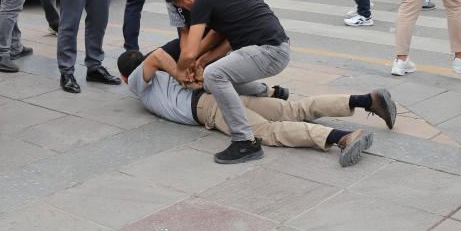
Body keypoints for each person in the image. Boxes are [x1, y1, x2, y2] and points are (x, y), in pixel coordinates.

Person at [118, 48, 397, 167]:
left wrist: (178, 73)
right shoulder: (157, 79)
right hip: (223, 94)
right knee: (294, 109)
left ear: (124, 77)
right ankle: (365, 99)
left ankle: (342, 137)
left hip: (208, 107)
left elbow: (155, 57)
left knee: (267, 132)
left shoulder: (136, 83)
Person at [163, 0, 291, 163]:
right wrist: (202, 61)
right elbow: (226, 38)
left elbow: (189, 51)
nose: (188, 11)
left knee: (214, 75)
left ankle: (245, 141)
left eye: (183, 7)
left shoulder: (202, 1)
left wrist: (180, 70)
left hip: (269, 52)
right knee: (211, 78)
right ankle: (268, 92)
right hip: (276, 49)